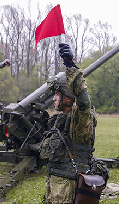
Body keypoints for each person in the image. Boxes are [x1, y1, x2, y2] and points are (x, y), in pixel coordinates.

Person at [40, 43, 97, 203]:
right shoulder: (60, 120)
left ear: (69, 98)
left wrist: (71, 65)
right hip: (56, 188)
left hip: (68, 189)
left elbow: (84, 102)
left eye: (57, 94)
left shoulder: (79, 120)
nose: (54, 98)